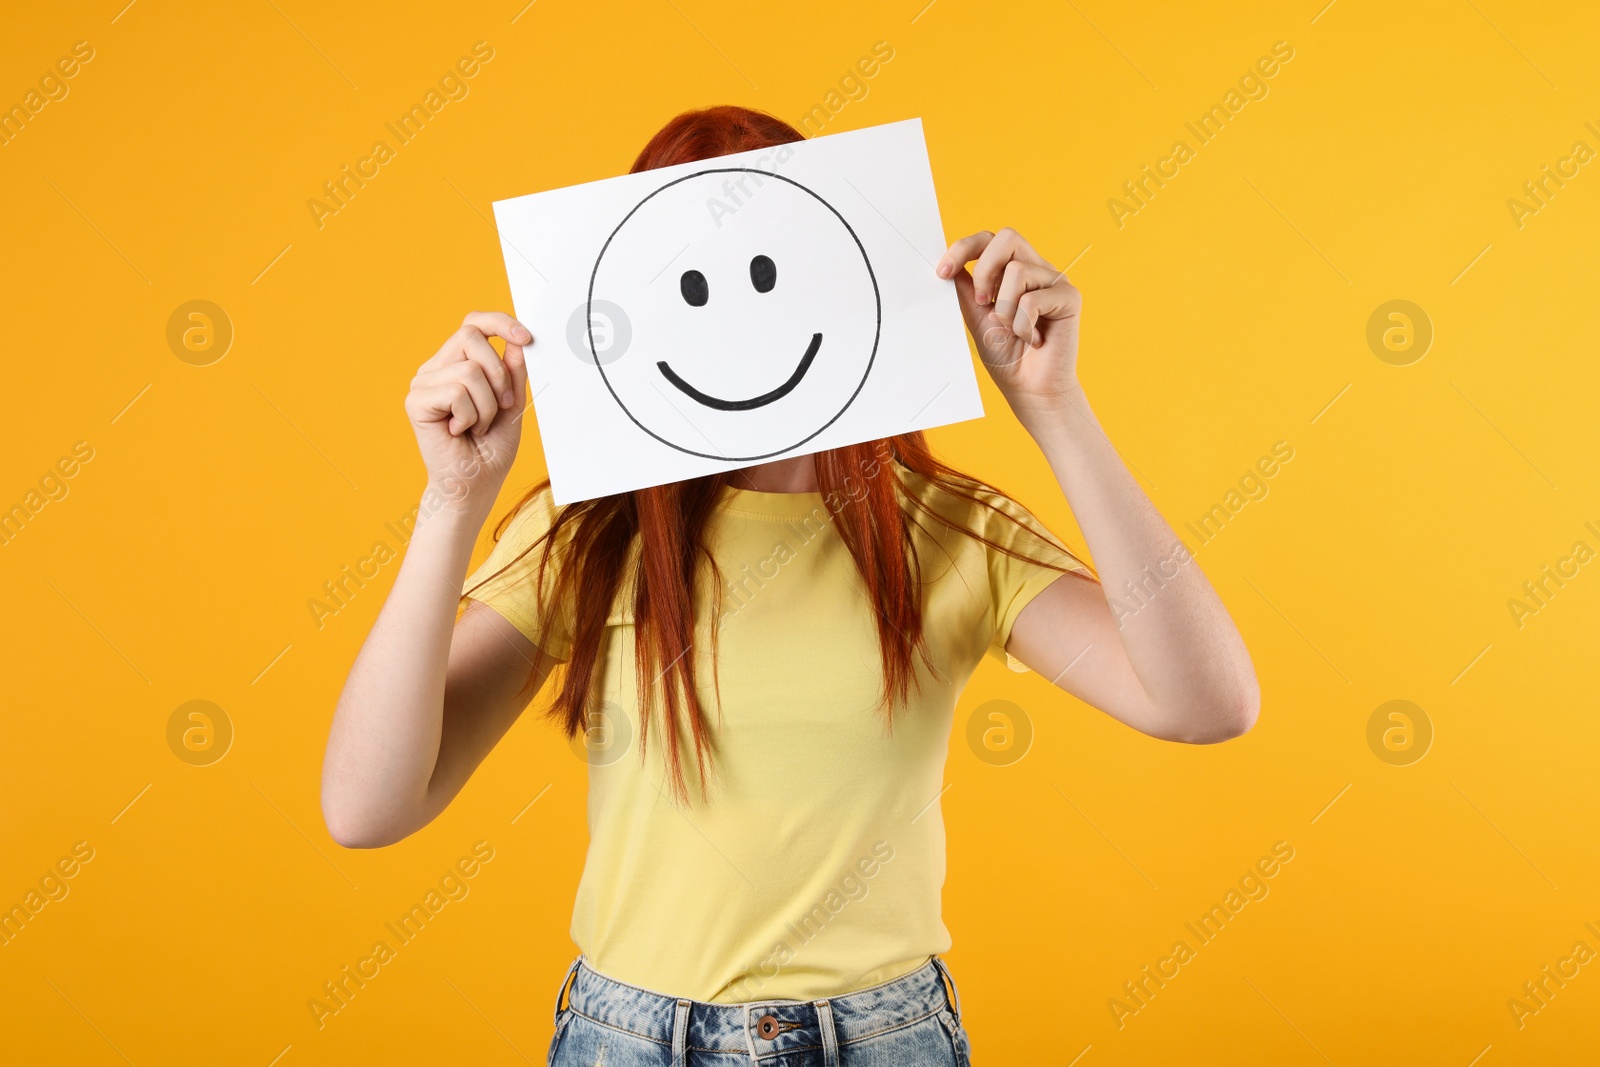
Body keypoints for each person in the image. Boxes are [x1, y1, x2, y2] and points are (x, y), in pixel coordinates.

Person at [320, 105, 1259, 1066]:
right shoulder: (589, 534)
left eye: (771, 270)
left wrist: (1056, 408)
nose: (742, 315)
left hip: (884, 1037)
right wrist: (451, 502)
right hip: (631, 1039)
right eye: (695, 284)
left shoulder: (949, 533)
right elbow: (366, 807)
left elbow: (1208, 702)